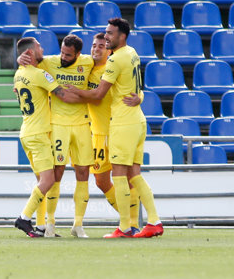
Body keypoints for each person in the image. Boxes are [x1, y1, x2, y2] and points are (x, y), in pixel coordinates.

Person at [70, 18, 164, 238]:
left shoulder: (114, 61)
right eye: (104, 34)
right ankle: (153, 221)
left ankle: (126, 226)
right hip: (136, 120)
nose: (106, 38)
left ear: (122, 36)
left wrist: (71, 90)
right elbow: (134, 84)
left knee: (120, 175)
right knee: (134, 175)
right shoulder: (132, 52)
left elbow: (98, 94)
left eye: (109, 34)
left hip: (121, 123)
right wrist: (139, 97)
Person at [20, 35, 95, 238]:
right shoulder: (49, 62)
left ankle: (78, 225)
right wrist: (18, 60)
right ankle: (50, 224)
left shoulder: (87, 62)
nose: (63, 56)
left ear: (78, 54)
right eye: (62, 51)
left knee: (83, 174)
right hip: (58, 125)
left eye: (68, 55)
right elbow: (27, 64)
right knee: (55, 175)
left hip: (82, 125)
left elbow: (103, 59)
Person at [88, 33, 142, 234]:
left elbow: (135, 87)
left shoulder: (114, 67)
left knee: (128, 177)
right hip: (99, 133)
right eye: (94, 45)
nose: (96, 49)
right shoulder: (85, 67)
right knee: (101, 181)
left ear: (109, 50)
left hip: (119, 128)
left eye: (101, 46)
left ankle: (131, 224)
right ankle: (127, 219)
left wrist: (141, 97)